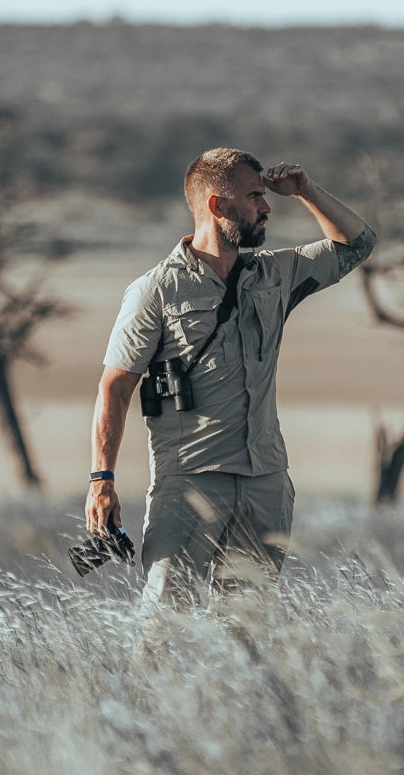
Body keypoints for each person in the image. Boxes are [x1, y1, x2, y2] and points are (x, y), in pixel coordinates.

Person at [84, 148, 375, 602]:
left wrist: (307, 191)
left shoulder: (275, 275)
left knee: (247, 635)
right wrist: (102, 479)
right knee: (166, 627)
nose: (266, 206)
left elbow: (358, 244)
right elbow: (115, 387)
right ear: (217, 206)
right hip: (188, 482)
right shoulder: (156, 290)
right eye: (255, 196)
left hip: (266, 483)